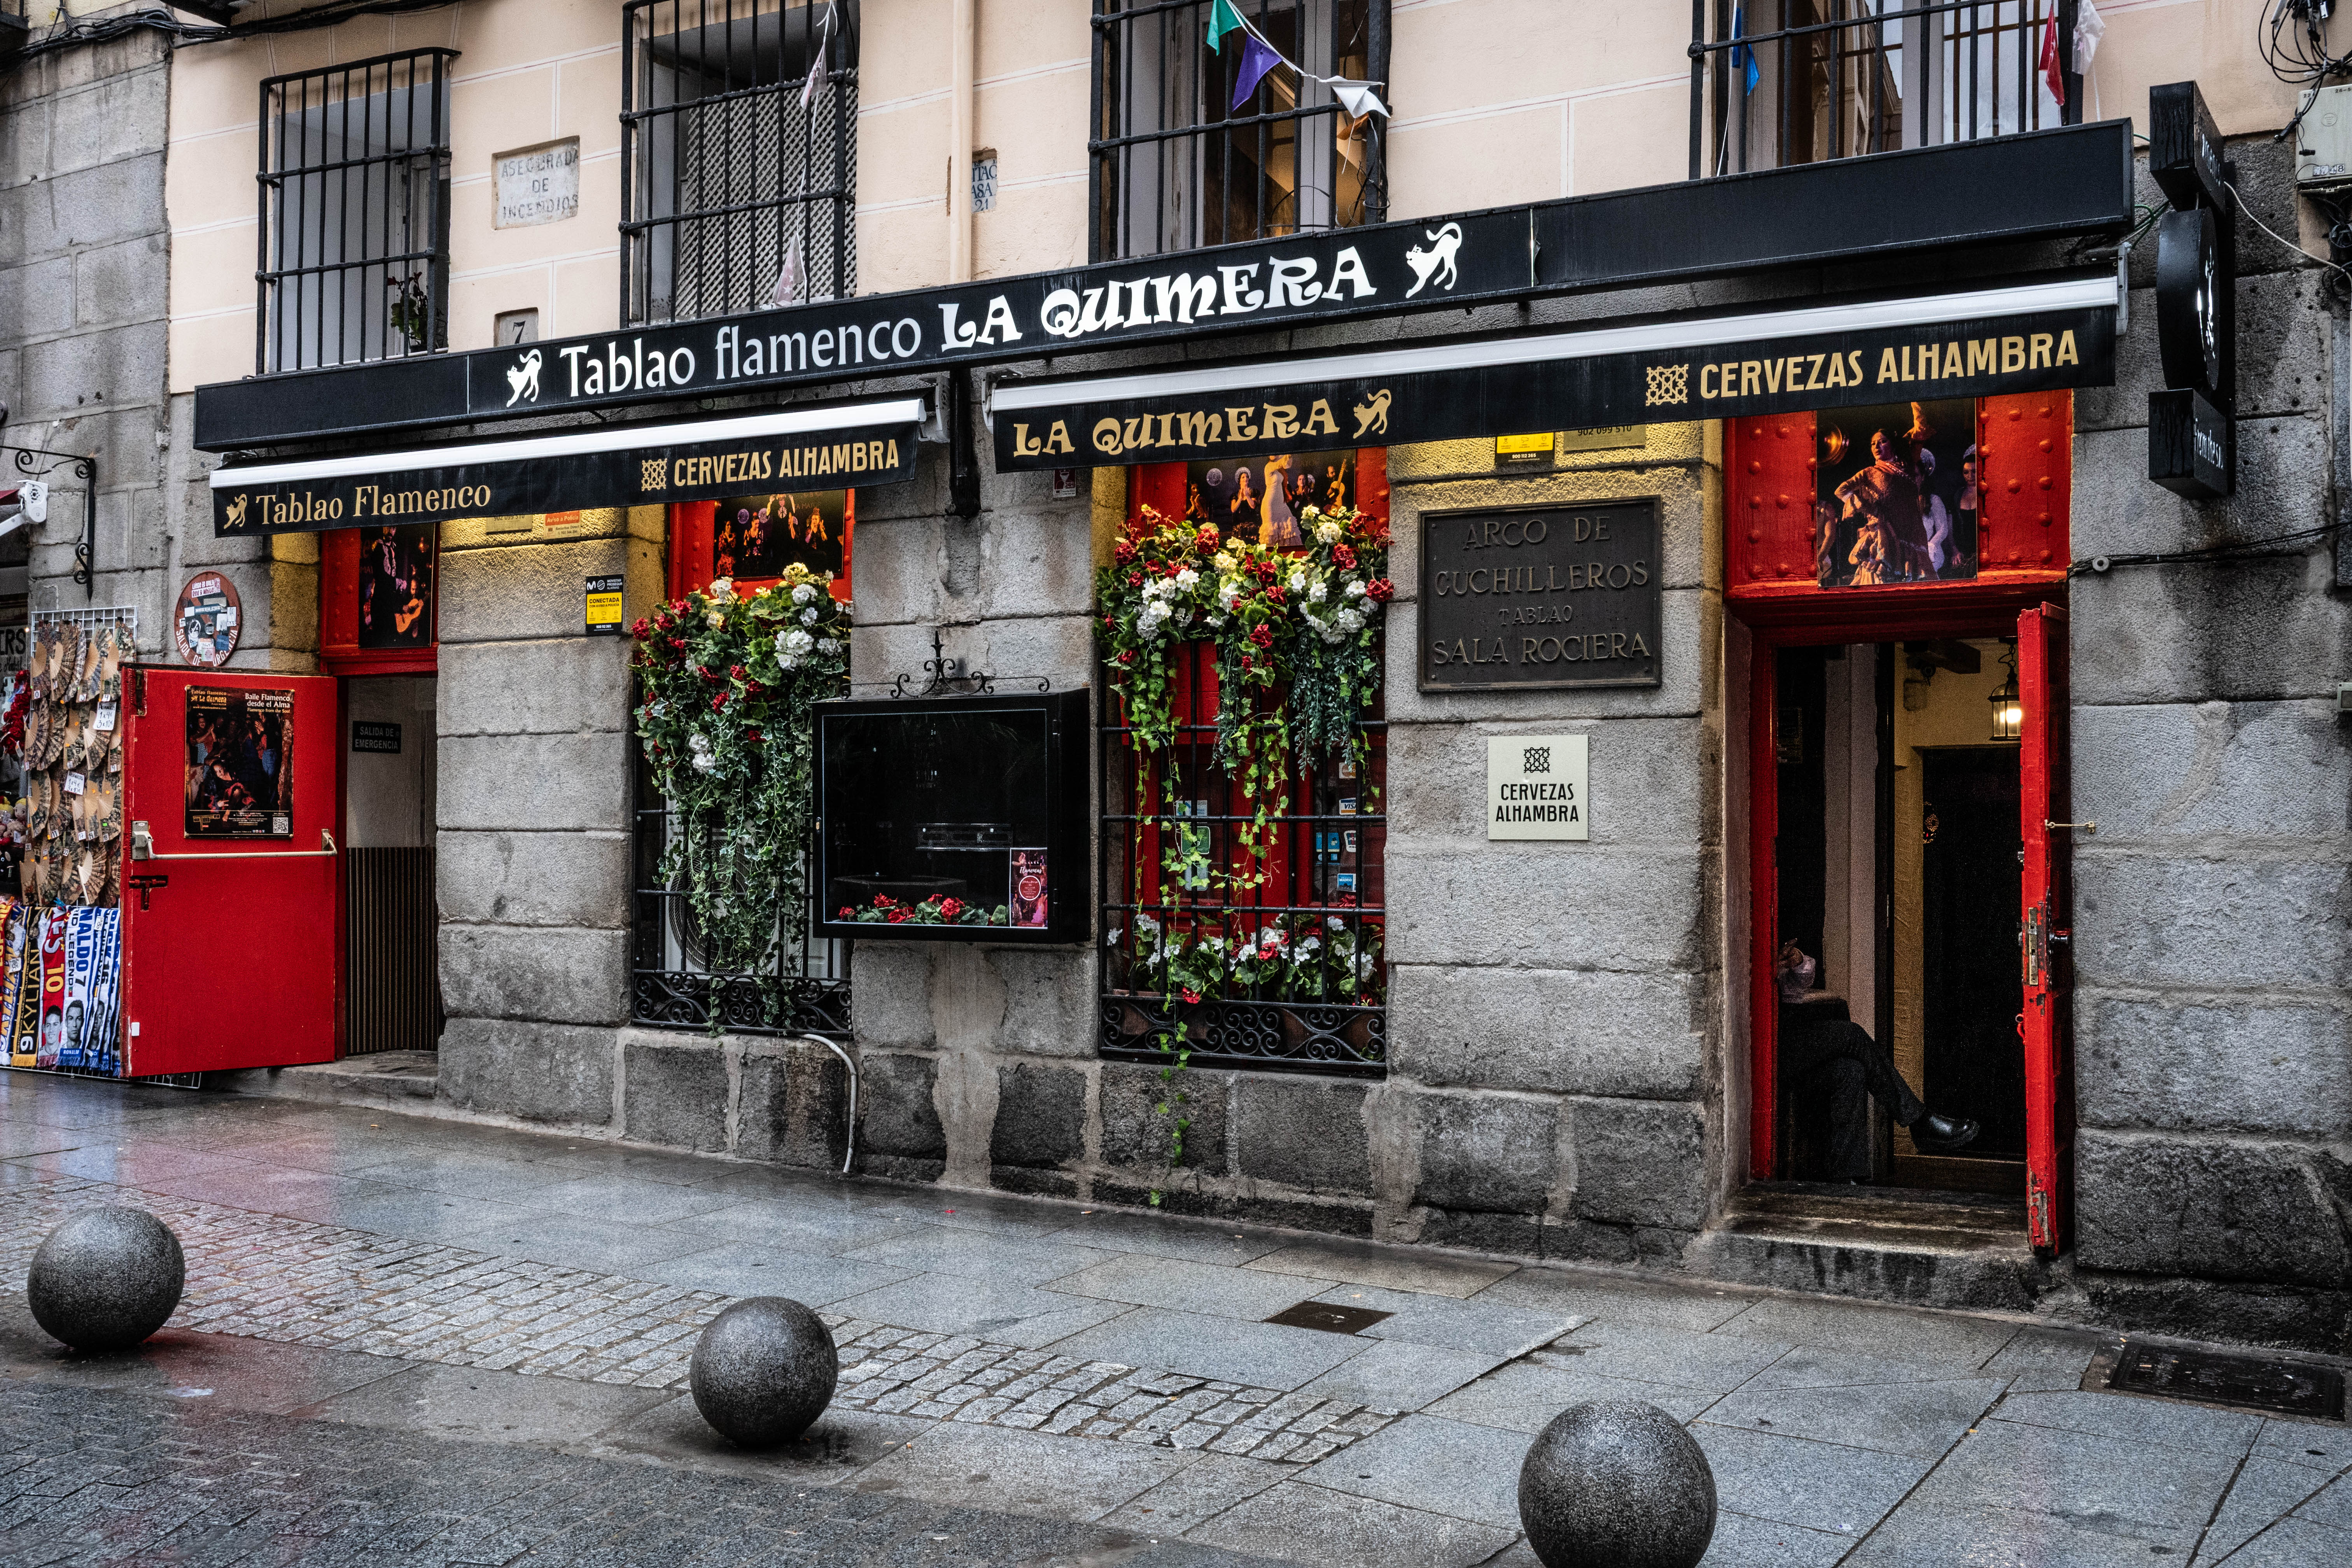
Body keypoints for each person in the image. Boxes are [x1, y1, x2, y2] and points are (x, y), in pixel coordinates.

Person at [1776, 939, 1980, 1180]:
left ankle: (1847, 1178)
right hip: (1770, 1047)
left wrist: (1797, 960)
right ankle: (1919, 1120)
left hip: (1786, 1042)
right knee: (1852, 1034)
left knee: (1851, 1071)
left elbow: (1795, 990)